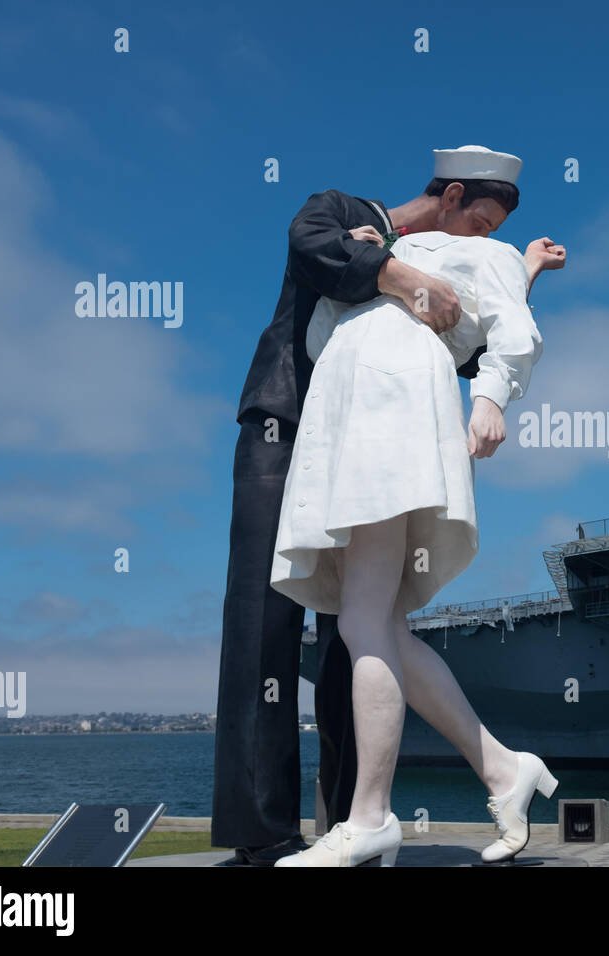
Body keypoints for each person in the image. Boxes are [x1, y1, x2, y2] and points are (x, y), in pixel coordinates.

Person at [212, 144, 563, 866]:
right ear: (454, 194)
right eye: (484, 221)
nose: (486, 238)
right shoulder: (343, 215)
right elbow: (312, 249)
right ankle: (262, 828)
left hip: (376, 418)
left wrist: (511, 283)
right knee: (265, 619)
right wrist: (394, 269)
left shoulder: (447, 258)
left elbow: (471, 334)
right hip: (290, 424)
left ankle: (356, 815)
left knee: (357, 627)